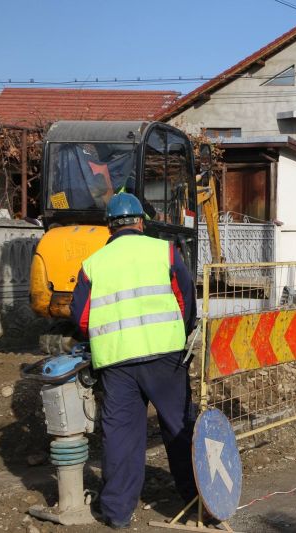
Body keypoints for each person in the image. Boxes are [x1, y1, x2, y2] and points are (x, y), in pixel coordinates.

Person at [70, 193, 197, 529]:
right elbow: (186, 302)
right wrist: (176, 332)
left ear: (109, 226)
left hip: (116, 362)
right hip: (165, 359)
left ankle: (117, 513)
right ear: (141, 221)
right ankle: (197, 499)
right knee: (179, 426)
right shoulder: (165, 251)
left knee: (122, 436)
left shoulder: (93, 264)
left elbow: (81, 319)